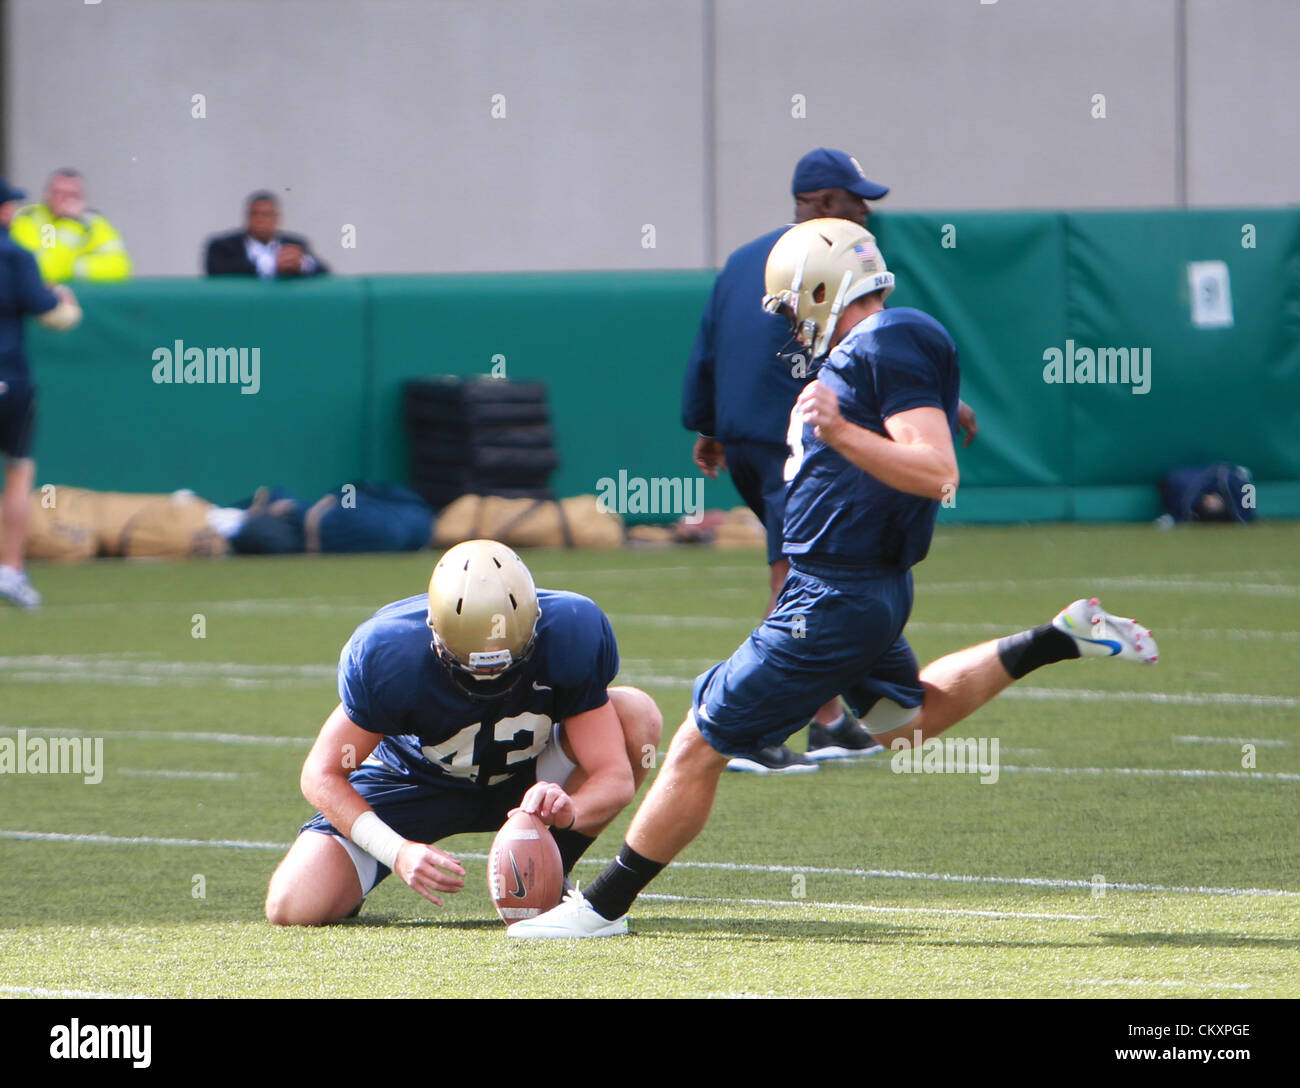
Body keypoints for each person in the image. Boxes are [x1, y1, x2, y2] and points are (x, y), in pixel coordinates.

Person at [509, 220, 1157, 939]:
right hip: (862, 591)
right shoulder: (885, 347)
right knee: (902, 726)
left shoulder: (887, 337)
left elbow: (938, 470)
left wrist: (846, 430)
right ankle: (1055, 639)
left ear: (823, 287)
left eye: (793, 304)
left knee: (698, 742)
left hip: (833, 595)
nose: (792, 320)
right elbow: (914, 423)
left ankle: (601, 909)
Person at [682, 147, 978, 774]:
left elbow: (707, 347)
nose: (866, 214)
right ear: (821, 204)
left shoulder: (742, 257)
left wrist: (708, 427)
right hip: (796, 431)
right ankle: (771, 722)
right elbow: (839, 358)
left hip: (747, 435)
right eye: (854, 201)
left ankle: (828, 720)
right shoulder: (820, 268)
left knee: (808, 566)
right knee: (799, 567)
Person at [265, 538, 662, 924]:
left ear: (534, 623)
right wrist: (396, 851)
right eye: (473, 665)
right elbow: (320, 773)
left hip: (528, 779)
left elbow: (614, 776)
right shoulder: (388, 654)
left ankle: (550, 869)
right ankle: (351, 886)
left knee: (635, 714)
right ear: (433, 629)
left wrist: (570, 808)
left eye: (505, 664)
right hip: (413, 782)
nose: (489, 678)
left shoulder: (573, 630)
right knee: (293, 906)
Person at [0, 176, 82, 609]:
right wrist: (65, 301)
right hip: (11, 382)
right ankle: (10, 569)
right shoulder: (15, 255)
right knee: (19, 471)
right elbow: (52, 314)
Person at [8, 169, 132, 281]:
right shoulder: (30, 219)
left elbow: (121, 266)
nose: (66, 200)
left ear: (83, 198)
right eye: (59, 193)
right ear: (47, 195)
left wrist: (70, 267)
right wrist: (70, 223)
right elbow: (46, 271)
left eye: (73, 195)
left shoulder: (94, 221)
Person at [205, 191, 329, 278]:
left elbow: (323, 272)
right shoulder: (223, 246)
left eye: (266, 215)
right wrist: (271, 265)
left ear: (277, 219)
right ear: (246, 218)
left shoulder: (294, 244)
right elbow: (217, 270)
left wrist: (301, 264)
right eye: (255, 214)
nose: (260, 220)